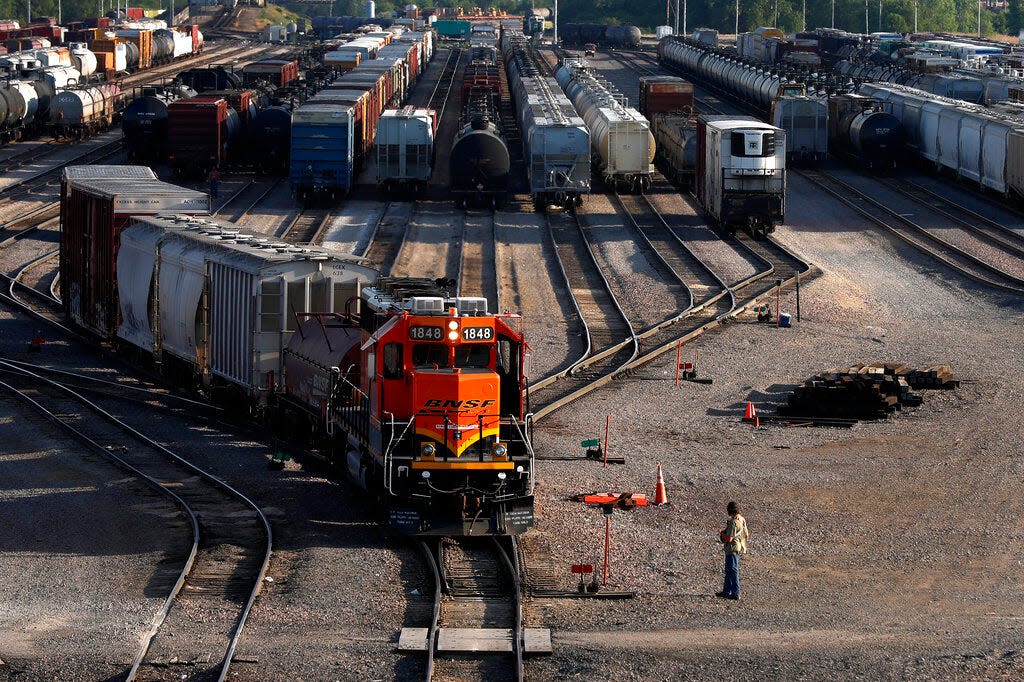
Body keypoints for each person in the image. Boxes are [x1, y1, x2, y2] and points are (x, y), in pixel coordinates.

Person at [716, 501, 749, 601]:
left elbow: (729, 539)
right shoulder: (742, 519)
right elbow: (747, 534)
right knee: (729, 570)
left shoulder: (733, 522)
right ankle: (726, 591)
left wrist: (723, 535)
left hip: (732, 548)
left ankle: (735, 592)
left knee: (732, 570)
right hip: (738, 547)